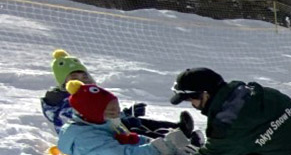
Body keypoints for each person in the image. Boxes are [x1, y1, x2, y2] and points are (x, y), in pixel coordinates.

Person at [56, 81, 199, 155]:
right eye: (111, 110)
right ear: (93, 112)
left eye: (116, 107)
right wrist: (164, 146)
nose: (117, 112)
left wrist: (165, 145)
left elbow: (130, 139)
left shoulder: (97, 122)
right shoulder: (89, 138)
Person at [42, 50, 193, 138]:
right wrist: (117, 120)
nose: (83, 81)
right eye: (75, 78)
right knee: (133, 130)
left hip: (104, 127)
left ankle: (179, 129)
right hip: (94, 138)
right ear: (64, 83)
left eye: (85, 76)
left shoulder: (86, 94)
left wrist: (125, 113)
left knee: (131, 120)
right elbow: (83, 124)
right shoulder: (68, 105)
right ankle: (172, 141)